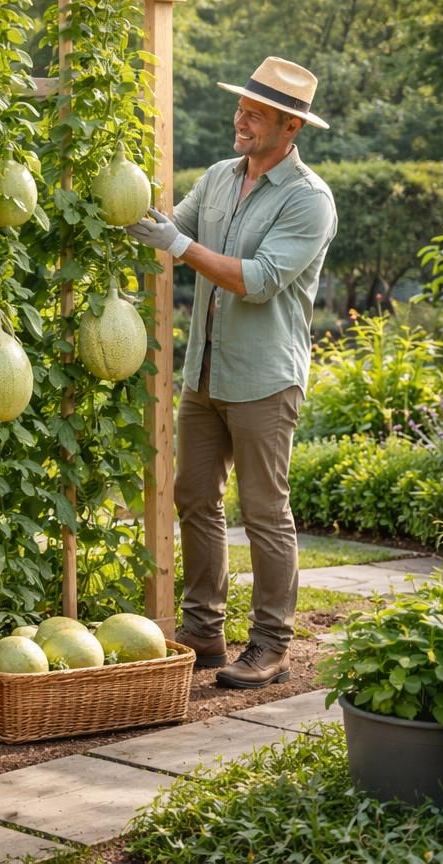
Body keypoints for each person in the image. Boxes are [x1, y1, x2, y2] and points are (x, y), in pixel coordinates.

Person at [124, 57, 337, 689]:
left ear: (289, 127)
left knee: (265, 511)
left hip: (265, 378)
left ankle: (271, 644)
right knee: (195, 497)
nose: (239, 120)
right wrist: (121, 204)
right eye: (241, 108)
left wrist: (177, 247)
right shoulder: (219, 178)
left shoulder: (308, 200)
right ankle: (204, 631)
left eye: (255, 114)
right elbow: (172, 226)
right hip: (205, 371)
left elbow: (259, 281)